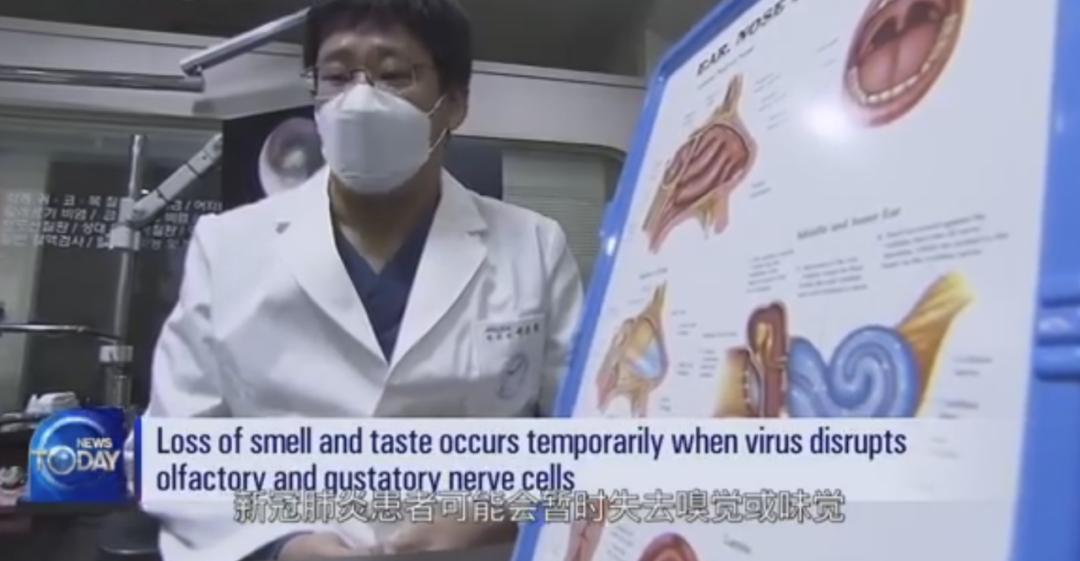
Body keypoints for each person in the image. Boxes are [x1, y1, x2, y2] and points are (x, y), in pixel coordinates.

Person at [141, 1, 585, 559]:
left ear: (455, 103)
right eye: (335, 75)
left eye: (393, 75)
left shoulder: (534, 245)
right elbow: (178, 446)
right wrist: (282, 546)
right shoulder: (228, 246)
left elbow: (596, 432)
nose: (359, 98)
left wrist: (506, 511)